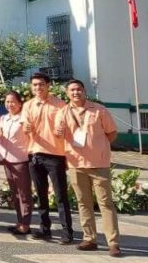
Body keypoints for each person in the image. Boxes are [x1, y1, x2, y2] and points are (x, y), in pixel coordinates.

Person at [59, 79, 121, 257]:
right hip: (75, 163)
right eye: (72, 90)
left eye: (78, 89)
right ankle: (89, 238)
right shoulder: (63, 112)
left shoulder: (99, 109)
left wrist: (98, 148)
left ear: (84, 91)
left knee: (106, 203)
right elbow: (60, 134)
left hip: (98, 164)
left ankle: (113, 242)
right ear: (67, 93)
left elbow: (112, 132)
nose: (76, 92)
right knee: (83, 203)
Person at [21, 71, 74, 244]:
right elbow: (24, 126)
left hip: (55, 156)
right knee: (41, 195)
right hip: (34, 154)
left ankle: (67, 232)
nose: (38, 87)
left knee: (60, 196)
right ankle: (45, 229)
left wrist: (62, 129)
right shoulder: (28, 105)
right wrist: (26, 127)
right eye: (35, 85)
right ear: (31, 86)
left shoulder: (60, 105)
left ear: (48, 85)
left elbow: (65, 125)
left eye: (41, 84)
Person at [0, 90, 32, 236]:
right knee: (15, 192)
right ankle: (20, 221)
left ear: (20, 103)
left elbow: (30, 134)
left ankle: (26, 223)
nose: (10, 104)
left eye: (13, 102)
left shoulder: (24, 118)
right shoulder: (4, 118)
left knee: (24, 193)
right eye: (7, 102)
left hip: (20, 159)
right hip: (6, 159)